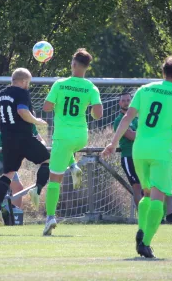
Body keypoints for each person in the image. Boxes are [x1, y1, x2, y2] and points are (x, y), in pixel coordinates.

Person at [103, 56, 172, 258]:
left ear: (163, 72)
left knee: (146, 193)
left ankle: (141, 229)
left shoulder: (144, 90)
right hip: (161, 152)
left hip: (139, 150)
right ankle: (145, 242)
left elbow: (127, 118)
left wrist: (112, 143)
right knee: (158, 198)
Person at [42, 48, 103, 236]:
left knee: (54, 179)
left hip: (63, 136)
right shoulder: (91, 87)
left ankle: (50, 217)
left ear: (74, 64)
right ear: (86, 67)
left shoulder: (60, 84)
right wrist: (90, 110)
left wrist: (56, 104)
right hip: (81, 136)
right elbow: (98, 114)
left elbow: (46, 107)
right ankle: (74, 165)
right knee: (69, 150)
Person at [0, 68, 51, 226]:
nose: (28, 86)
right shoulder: (21, 93)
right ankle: (36, 190)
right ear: (23, 81)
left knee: (8, 174)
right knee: (47, 160)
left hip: (7, 139)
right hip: (23, 137)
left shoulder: (2, 93)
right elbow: (22, 111)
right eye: (28, 83)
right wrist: (36, 121)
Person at [112, 91, 143, 208]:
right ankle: (142, 216)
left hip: (141, 156)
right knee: (137, 187)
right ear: (120, 103)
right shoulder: (119, 120)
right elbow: (131, 136)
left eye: (128, 100)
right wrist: (144, 134)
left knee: (147, 187)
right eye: (123, 101)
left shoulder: (138, 119)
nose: (126, 103)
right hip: (128, 157)